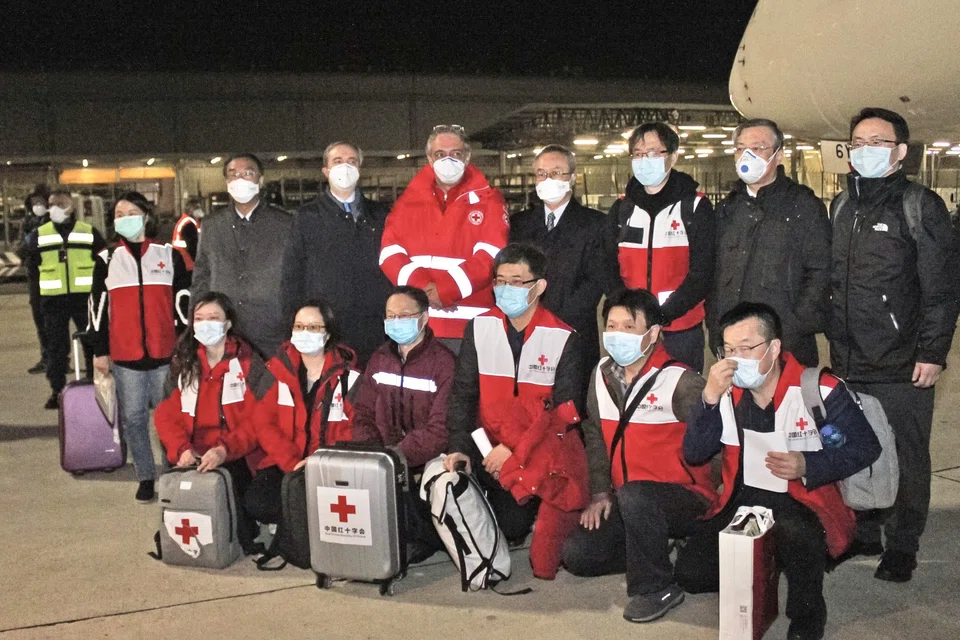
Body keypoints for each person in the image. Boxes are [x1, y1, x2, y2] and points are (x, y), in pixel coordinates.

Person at [680, 302, 881, 640]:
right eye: (728, 350)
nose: (736, 358)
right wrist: (709, 398)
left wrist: (809, 464)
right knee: (691, 574)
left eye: (746, 348)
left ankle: (807, 615)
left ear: (773, 348)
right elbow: (695, 453)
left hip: (802, 503)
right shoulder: (728, 392)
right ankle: (765, 566)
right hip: (742, 500)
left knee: (794, 534)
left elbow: (865, 448)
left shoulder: (820, 389)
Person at [828, 107, 959, 582]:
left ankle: (903, 544)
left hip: (903, 361)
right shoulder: (842, 206)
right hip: (848, 358)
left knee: (907, 453)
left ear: (901, 152)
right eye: (858, 141)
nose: (866, 149)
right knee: (856, 445)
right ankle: (864, 528)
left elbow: (942, 288)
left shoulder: (919, 206)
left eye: (879, 142)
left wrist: (932, 351)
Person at [562, 289, 716, 624]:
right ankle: (658, 551)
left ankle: (656, 587)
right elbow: (596, 436)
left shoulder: (681, 381)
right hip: (630, 499)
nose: (617, 335)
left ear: (653, 334)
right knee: (577, 555)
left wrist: (719, 502)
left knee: (637, 495)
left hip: (684, 498)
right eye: (612, 326)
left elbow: (717, 443)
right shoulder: (601, 374)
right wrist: (600, 492)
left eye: (629, 327)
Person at [443, 243, 588, 579]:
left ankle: (537, 506)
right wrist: (459, 447)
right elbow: (463, 396)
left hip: (537, 452)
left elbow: (564, 415)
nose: (505, 290)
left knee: (511, 525)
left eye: (517, 281)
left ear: (539, 287)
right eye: (500, 281)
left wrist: (515, 450)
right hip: (486, 450)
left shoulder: (563, 337)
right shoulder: (479, 328)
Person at [88, 192, 191, 503]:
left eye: (132, 211)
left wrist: (185, 343)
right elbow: (96, 309)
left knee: (169, 418)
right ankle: (146, 476)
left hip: (165, 353)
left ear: (146, 216)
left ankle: (173, 469)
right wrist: (99, 350)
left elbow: (184, 302)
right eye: (119, 213)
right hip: (125, 355)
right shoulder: (106, 260)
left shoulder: (168, 254)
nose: (125, 217)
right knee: (134, 419)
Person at [707, 118, 831, 367]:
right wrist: (715, 325)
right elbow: (714, 273)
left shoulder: (804, 207)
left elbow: (821, 273)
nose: (747, 156)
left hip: (786, 346)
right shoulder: (727, 210)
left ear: (779, 155)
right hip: (733, 345)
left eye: (758, 148)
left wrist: (793, 327)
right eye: (741, 149)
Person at [154, 291, 267, 554]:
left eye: (214, 318)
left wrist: (224, 449)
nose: (206, 325)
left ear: (228, 324)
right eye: (199, 319)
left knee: (238, 523)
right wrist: (180, 448)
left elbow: (260, 420)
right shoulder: (184, 363)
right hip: (193, 453)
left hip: (236, 454)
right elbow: (166, 414)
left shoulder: (250, 363)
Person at [379, 124, 509, 353]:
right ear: (429, 158)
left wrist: (445, 291)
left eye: (455, 154)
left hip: (471, 330)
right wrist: (423, 290)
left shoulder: (490, 201)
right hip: (417, 328)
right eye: (440, 154)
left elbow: (491, 256)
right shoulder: (406, 203)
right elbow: (390, 254)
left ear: (467, 156)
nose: (447, 160)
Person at [352, 285, 456, 562]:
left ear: (424, 318)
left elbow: (440, 428)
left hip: (426, 460)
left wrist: (398, 455)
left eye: (404, 315)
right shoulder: (379, 359)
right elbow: (361, 412)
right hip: (385, 456)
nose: (396, 322)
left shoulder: (444, 363)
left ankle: (422, 538)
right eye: (390, 316)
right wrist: (374, 452)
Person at [603, 122, 715, 373]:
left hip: (680, 328)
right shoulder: (622, 209)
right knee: (634, 395)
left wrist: (663, 315)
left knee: (681, 395)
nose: (645, 160)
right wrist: (629, 312)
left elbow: (702, 273)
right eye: (639, 154)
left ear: (673, 156)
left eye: (654, 153)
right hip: (632, 329)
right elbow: (607, 265)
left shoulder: (695, 207)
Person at [245, 299, 361, 533]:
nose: (304, 333)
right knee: (258, 502)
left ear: (328, 334)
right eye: (299, 327)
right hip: (287, 462)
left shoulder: (349, 378)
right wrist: (291, 463)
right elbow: (264, 423)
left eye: (313, 327)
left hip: (329, 466)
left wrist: (321, 463)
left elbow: (355, 428)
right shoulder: (275, 371)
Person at [281, 141, 393, 366]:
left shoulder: (382, 215)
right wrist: (295, 325)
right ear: (326, 170)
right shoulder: (307, 217)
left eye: (352, 162)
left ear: (360, 168)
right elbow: (292, 275)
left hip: (374, 325)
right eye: (338, 161)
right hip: (328, 326)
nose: (345, 167)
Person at [509, 144, 606, 369]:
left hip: (573, 332)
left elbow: (594, 283)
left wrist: (550, 321)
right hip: (524, 329)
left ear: (572, 178)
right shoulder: (519, 224)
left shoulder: (595, 224)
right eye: (542, 173)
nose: (548, 179)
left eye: (556, 172)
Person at [191, 153, 292, 359]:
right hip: (225, 331)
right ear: (227, 182)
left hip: (272, 332)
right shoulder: (212, 226)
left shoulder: (285, 224)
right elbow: (202, 276)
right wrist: (197, 322)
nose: (240, 179)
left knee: (270, 389)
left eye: (248, 173)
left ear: (260, 180)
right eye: (233, 174)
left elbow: (296, 277)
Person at [26, 187, 107, 409]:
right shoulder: (39, 235)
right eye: (52, 204)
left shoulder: (89, 232)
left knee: (91, 343)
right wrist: (36, 301)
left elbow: (103, 266)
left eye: (60, 204)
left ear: (71, 206)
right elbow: (33, 272)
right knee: (56, 348)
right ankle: (57, 390)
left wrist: (101, 297)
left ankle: (95, 386)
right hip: (53, 301)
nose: (55, 209)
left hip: (85, 300)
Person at [17, 190, 51, 374]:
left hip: (51, 275)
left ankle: (56, 358)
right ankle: (46, 357)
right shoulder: (28, 222)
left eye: (40, 201)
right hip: (34, 274)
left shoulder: (52, 222)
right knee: (40, 319)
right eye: (33, 202)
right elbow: (22, 244)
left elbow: (27, 245)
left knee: (52, 322)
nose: (37, 205)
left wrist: (20, 252)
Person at [172, 196, 202, 272]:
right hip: (187, 262)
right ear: (191, 210)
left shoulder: (186, 221)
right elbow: (193, 246)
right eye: (198, 208)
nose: (201, 210)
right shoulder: (189, 224)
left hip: (181, 260)